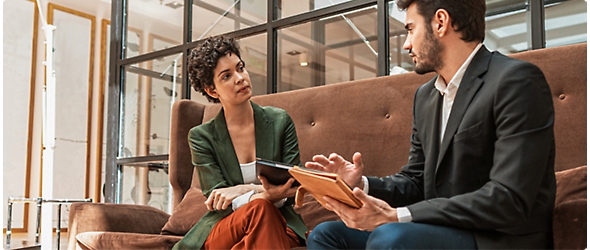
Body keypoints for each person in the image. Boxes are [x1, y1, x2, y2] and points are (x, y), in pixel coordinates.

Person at [305, 0, 556, 249]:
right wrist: (360, 185)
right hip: (439, 230)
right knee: (327, 234)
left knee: (391, 237)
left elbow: (508, 198)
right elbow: (416, 180)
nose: (406, 44)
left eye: (411, 29)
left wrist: (397, 216)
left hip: (496, 238)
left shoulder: (516, 81)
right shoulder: (425, 96)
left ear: (440, 22)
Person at [172, 35, 307, 249]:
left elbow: (293, 185)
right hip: (227, 225)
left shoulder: (280, 121)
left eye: (240, 68)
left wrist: (242, 189)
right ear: (211, 90)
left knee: (262, 216)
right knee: (260, 207)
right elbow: (220, 200)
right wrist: (262, 194)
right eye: (226, 76)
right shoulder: (201, 136)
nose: (240, 78)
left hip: (281, 222)